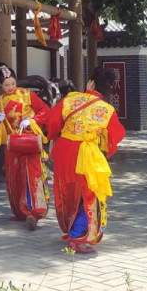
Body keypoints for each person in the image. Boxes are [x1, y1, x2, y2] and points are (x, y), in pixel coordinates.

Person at [47, 66, 126, 254]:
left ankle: (71, 228)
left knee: (68, 191)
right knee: (89, 194)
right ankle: (78, 236)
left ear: (90, 83)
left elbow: (52, 123)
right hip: (87, 154)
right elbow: (115, 136)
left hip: (64, 150)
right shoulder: (107, 109)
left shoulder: (71, 99)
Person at [0, 64, 49, 231]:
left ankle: (34, 211)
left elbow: (44, 110)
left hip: (28, 140)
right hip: (12, 144)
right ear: (1, 85)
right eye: (6, 85)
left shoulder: (28, 95)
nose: (10, 87)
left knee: (32, 174)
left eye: (13, 83)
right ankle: (20, 211)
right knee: (15, 176)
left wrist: (32, 120)